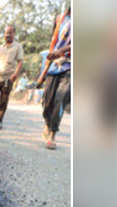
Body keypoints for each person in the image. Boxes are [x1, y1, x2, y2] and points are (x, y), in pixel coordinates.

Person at [37, 7, 71, 150]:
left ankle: (52, 134)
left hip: (71, 66)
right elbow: (53, 45)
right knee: (47, 102)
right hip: (54, 66)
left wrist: (62, 51)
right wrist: (43, 74)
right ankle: (47, 123)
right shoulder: (60, 18)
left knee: (60, 99)